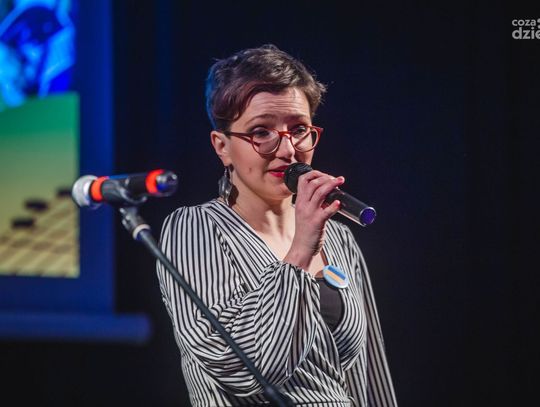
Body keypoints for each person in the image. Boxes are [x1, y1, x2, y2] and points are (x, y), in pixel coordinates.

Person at [156, 44, 397, 406]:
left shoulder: (337, 237)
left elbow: (369, 373)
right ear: (222, 146)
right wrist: (300, 252)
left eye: (298, 129)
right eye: (261, 132)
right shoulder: (194, 228)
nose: (288, 150)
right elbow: (244, 367)